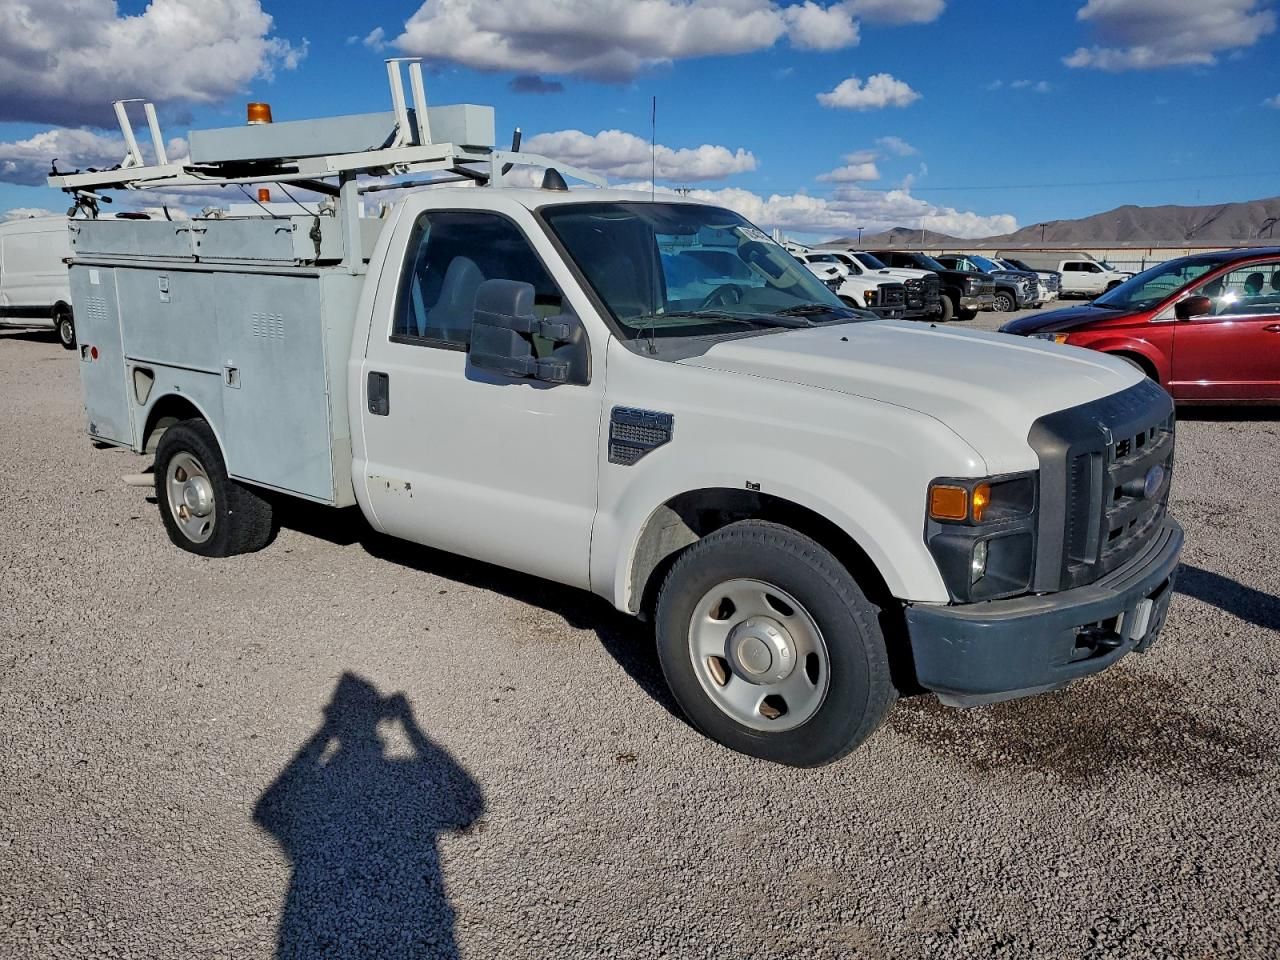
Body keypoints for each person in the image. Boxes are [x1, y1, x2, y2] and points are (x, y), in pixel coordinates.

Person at [255, 673, 484, 959]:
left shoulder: (342, 773)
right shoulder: (404, 771)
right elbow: (469, 806)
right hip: (420, 914)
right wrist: (409, 725)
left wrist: (328, 729)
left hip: (314, 913)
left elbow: (268, 809)